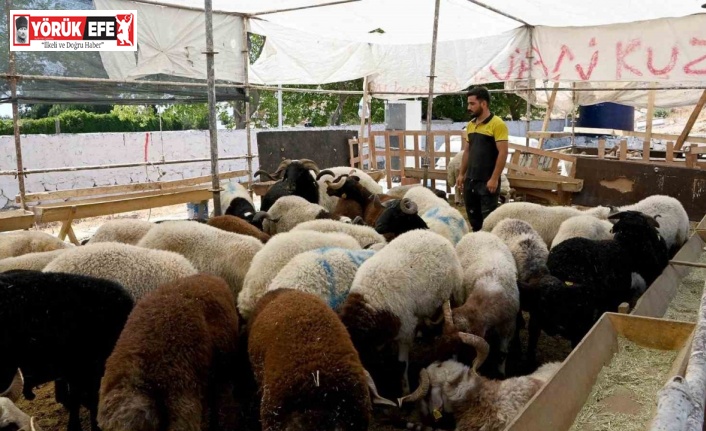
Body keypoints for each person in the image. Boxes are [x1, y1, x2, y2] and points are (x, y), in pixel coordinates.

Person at [455, 86, 509, 232]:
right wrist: (461, 174)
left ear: (483, 104)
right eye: (468, 103)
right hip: (470, 180)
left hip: (487, 181)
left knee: (489, 221)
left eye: (472, 104)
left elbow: (503, 153)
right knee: (474, 220)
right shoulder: (471, 125)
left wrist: (494, 178)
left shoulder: (497, 124)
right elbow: (467, 151)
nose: (469, 107)